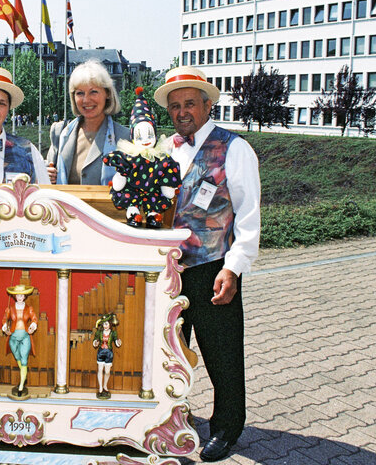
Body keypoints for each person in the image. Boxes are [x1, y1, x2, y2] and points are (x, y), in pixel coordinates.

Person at [153, 66, 260, 462]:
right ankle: (170, 416)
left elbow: (249, 216)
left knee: (222, 353)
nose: (182, 111)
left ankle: (227, 427)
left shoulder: (234, 148)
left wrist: (234, 268)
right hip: (170, 273)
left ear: (207, 105)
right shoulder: (166, 149)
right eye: (175, 105)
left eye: (190, 103)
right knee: (169, 352)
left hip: (214, 268)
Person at [103, 87, 181, 228]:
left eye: (150, 135)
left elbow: (166, 172)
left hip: (153, 191)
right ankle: (134, 214)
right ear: (133, 136)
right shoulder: (130, 156)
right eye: (139, 136)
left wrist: (167, 186)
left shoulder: (159, 157)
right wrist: (120, 176)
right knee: (130, 200)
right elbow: (121, 177)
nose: (145, 140)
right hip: (133, 190)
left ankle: (153, 216)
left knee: (156, 201)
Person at [46, 59, 130, 185]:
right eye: (80, 93)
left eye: (93, 92)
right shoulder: (60, 132)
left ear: (107, 93)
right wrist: (46, 175)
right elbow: (45, 178)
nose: (86, 100)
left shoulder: (126, 137)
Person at [1, 284, 38, 399]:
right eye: (18, 295)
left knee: (24, 359)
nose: (20, 297)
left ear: (25, 296)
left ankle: (21, 385)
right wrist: (5, 326)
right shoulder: (10, 308)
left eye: (22, 295)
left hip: (25, 336)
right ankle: (24, 373)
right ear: (15, 297)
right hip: (13, 337)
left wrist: (33, 325)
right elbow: (4, 319)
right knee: (17, 356)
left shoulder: (29, 308)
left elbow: (34, 318)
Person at [92, 313, 121, 399]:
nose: (105, 326)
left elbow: (116, 342)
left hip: (109, 353)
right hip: (101, 352)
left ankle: (105, 386)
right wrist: (95, 343)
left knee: (107, 371)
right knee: (100, 369)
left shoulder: (113, 333)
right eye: (104, 324)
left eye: (107, 324)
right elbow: (95, 341)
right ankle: (100, 387)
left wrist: (118, 342)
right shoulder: (99, 332)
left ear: (110, 324)